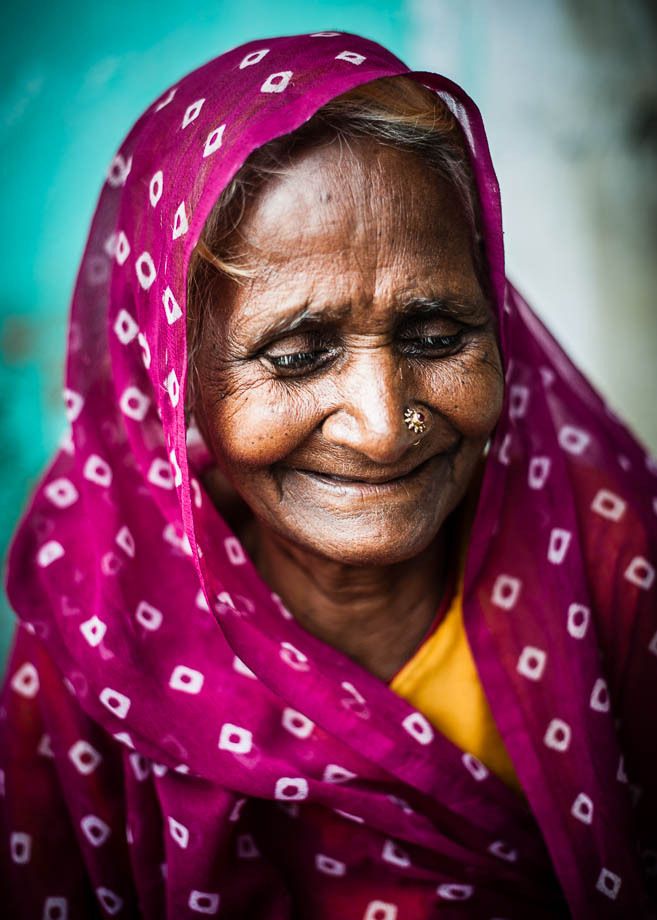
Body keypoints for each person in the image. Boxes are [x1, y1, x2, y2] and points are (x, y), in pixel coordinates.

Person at [1, 30, 655, 919]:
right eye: (298, 354)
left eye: (435, 337)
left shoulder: (615, 560)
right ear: (179, 381)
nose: (383, 427)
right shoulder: (104, 638)